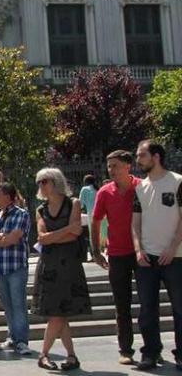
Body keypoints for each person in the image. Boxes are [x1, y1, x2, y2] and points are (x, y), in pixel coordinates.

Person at [32, 168, 91, 371]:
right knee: (58, 314)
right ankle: (66, 356)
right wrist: (66, 229)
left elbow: (75, 235)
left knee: (59, 314)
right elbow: (42, 238)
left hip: (69, 264)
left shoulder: (73, 203)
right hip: (49, 265)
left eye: (44, 181)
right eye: (39, 182)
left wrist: (54, 236)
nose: (41, 185)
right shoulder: (41, 209)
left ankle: (47, 354)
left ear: (55, 181)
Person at [131, 140, 182, 372]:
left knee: (180, 307)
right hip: (147, 258)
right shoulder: (140, 187)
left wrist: (172, 247)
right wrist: (139, 249)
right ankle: (150, 353)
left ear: (156, 156)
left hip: (176, 256)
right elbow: (135, 223)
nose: (138, 160)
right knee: (147, 309)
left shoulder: (178, 182)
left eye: (142, 155)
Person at [90, 150, 140, 365]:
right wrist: (95, 250)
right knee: (122, 305)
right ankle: (126, 350)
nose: (111, 170)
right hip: (117, 254)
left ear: (128, 166)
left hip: (142, 252)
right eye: (109, 166)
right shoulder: (104, 192)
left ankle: (151, 349)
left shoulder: (142, 187)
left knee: (149, 303)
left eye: (115, 165)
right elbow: (96, 220)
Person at [0, 182, 32, 356]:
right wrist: (0, 237)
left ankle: (22, 341)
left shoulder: (21, 214)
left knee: (18, 304)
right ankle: (13, 336)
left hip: (15, 266)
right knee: (7, 305)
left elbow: (12, 239)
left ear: (8, 196)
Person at [78, 175, 97, 261]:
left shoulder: (84, 189)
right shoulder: (98, 189)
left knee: (92, 235)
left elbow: (80, 204)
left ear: (85, 182)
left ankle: (94, 255)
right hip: (103, 215)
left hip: (91, 214)